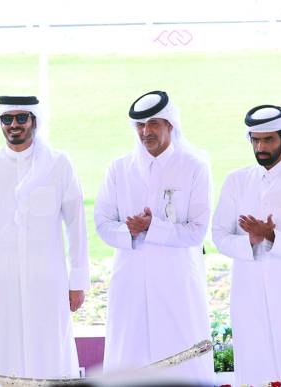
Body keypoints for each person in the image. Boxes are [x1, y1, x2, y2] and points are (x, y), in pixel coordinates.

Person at [0, 96, 89, 380]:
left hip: (48, 279)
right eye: (7, 119)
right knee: (2, 351)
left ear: (34, 121)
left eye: (21, 119)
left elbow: (76, 224)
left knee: (50, 347)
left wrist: (77, 280)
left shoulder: (59, 164)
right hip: (0, 279)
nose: (14, 125)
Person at [93, 91, 213, 383]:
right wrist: (130, 231)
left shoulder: (194, 166)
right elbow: (103, 223)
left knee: (180, 349)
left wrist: (152, 227)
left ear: (170, 125)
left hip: (176, 277)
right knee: (129, 349)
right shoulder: (119, 169)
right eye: (140, 125)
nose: (146, 132)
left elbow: (197, 230)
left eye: (154, 124)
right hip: (130, 276)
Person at [212, 105, 281, 386]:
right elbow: (220, 236)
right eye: (255, 140)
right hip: (247, 288)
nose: (261, 147)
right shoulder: (236, 180)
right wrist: (250, 240)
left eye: (268, 140)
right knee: (253, 357)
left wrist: (273, 237)